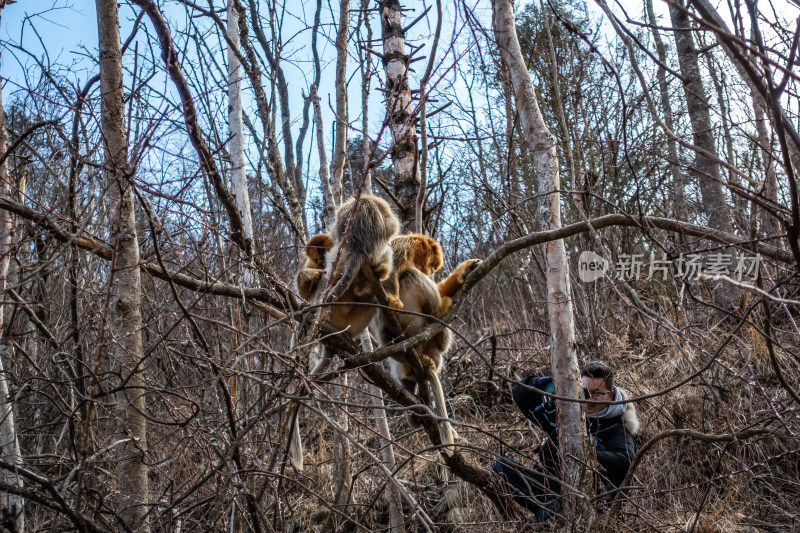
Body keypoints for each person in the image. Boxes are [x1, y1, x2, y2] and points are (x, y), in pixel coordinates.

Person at [492, 361, 640, 521]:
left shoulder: (618, 424)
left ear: (610, 395)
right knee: (501, 468)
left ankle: (558, 510)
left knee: (594, 443)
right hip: (555, 488)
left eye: (597, 393)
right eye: (585, 392)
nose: (589, 399)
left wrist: (581, 450)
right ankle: (550, 507)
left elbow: (625, 461)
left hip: (593, 497)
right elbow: (520, 393)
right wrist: (551, 382)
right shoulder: (565, 411)